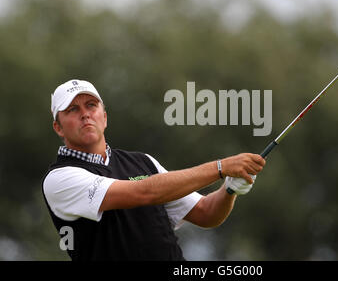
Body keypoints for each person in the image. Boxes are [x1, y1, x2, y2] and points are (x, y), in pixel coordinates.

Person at [42, 79, 266, 261]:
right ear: (58, 127)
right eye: (72, 109)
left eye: (91, 105)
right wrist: (220, 167)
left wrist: (229, 189)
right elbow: (144, 192)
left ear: (105, 117)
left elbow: (206, 213)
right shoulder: (60, 179)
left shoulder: (143, 162)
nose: (85, 114)